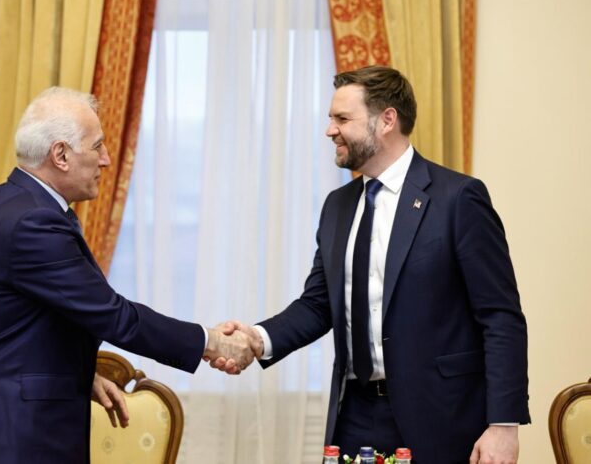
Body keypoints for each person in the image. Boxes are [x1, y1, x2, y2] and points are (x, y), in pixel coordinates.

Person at [212, 66, 530, 463]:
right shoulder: (338, 206)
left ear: (387, 120)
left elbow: (500, 317)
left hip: (441, 417)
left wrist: (503, 424)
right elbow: (318, 305)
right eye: (331, 118)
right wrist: (258, 339)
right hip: (354, 416)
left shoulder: (458, 199)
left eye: (342, 118)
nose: (330, 130)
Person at [0, 87, 256, 464]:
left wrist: (82, 376)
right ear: (61, 155)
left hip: (8, 423)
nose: (106, 159)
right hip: (4, 434)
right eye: (97, 146)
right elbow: (113, 315)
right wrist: (211, 342)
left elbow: (27, 329)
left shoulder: (23, 204)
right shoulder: (33, 222)